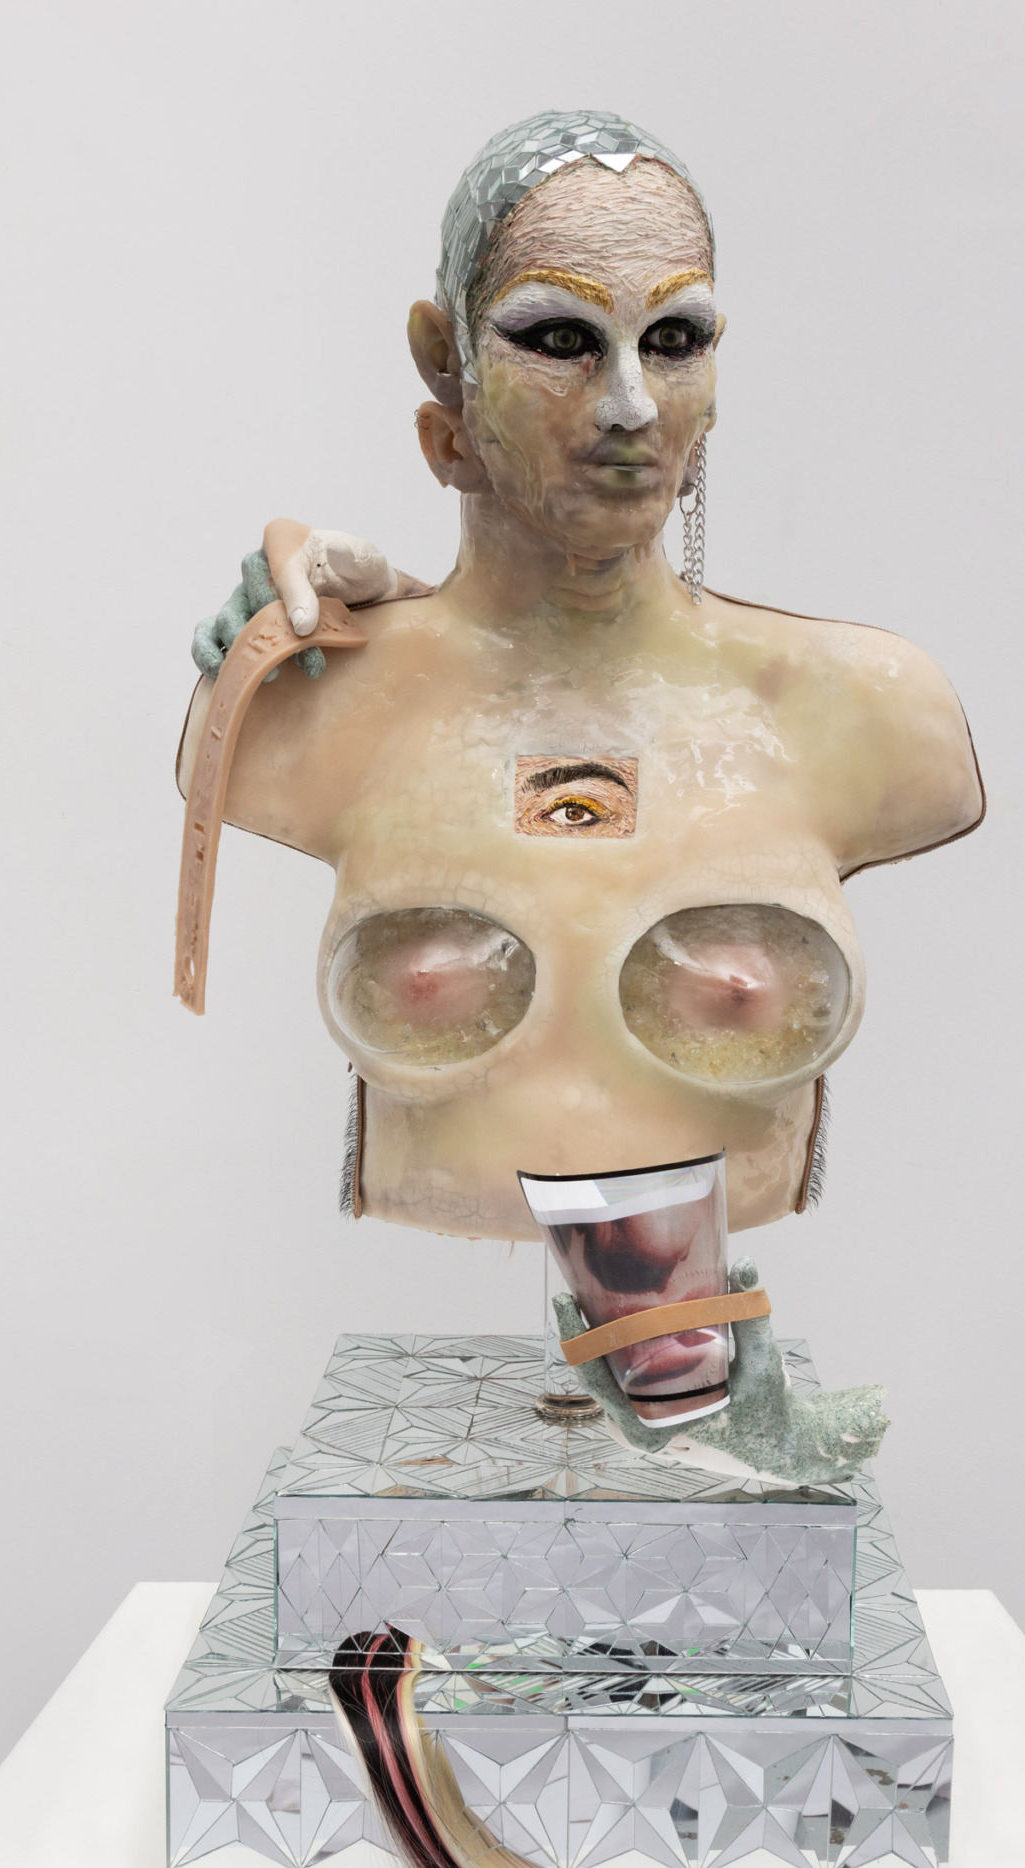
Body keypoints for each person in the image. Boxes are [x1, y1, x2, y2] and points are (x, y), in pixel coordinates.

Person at [178, 111, 984, 1242]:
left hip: (698, 1333)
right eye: (560, 337)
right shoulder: (314, 700)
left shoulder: (869, 709)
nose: (631, 405)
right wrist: (308, 645)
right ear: (445, 358)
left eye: (675, 336)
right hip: (430, 1318)